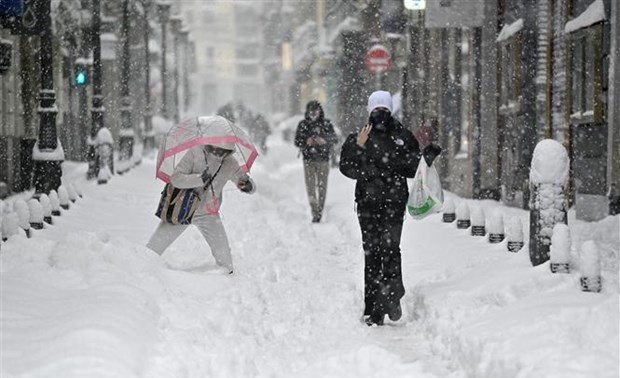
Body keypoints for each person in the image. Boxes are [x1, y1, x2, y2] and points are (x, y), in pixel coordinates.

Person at [339, 90, 441, 326]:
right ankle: (373, 307)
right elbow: (348, 167)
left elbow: (413, 168)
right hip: (367, 204)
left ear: (390, 110)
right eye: (376, 110)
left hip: (394, 203)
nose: (380, 114)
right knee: (372, 255)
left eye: (384, 110)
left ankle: (393, 296)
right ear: (369, 111)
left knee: (391, 250)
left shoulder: (403, 136)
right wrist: (359, 147)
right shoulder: (359, 136)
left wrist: (427, 157)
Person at [147, 142, 256, 274]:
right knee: (150, 252)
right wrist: (200, 179)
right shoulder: (195, 152)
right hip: (181, 210)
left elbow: (244, 181)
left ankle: (224, 282)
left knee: (226, 265)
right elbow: (176, 179)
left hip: (209, 215)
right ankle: (141, 274)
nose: (220, 149)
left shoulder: (229, 162)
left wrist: (248, 186)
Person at [294, 101, 338, 223]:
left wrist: (323, 140)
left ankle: (320, 209)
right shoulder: (303, 124)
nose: (313, 114)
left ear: (320, 111)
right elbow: (297, 141)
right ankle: (315, 211)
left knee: (322, 187)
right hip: (308, 160)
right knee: (311, 187)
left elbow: (334, 139)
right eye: (311, 111)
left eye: (315, 111)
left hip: (323, 160)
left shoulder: (326, 124)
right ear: (307, 112)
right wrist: (306, 140)